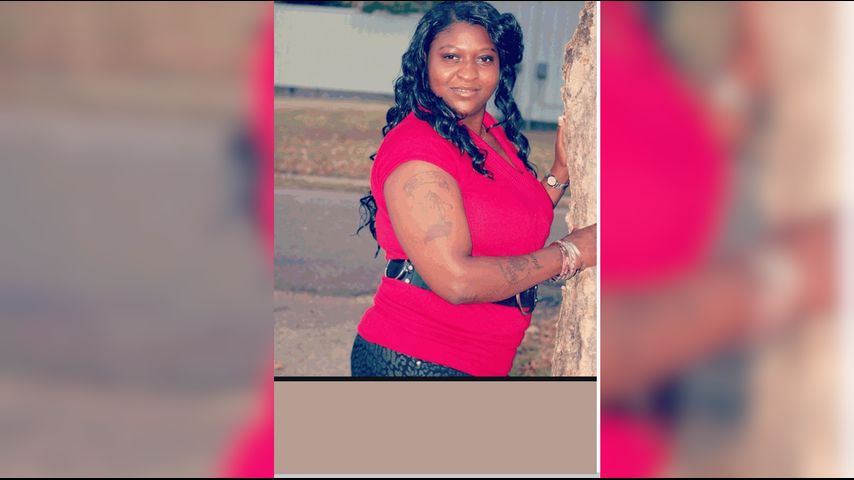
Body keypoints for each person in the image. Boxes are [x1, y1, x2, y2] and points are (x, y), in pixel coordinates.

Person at [352, 1, 597, 377]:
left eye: (484, 58)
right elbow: (456, 280)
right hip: (417, 360)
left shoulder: (490, 134)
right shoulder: (418, 149)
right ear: (424, 61)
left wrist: (559, 172)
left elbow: (508, 224)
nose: (468, 73)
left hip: (481, 358)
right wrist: (571, 253)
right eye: (451, 56)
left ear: (500, 67)